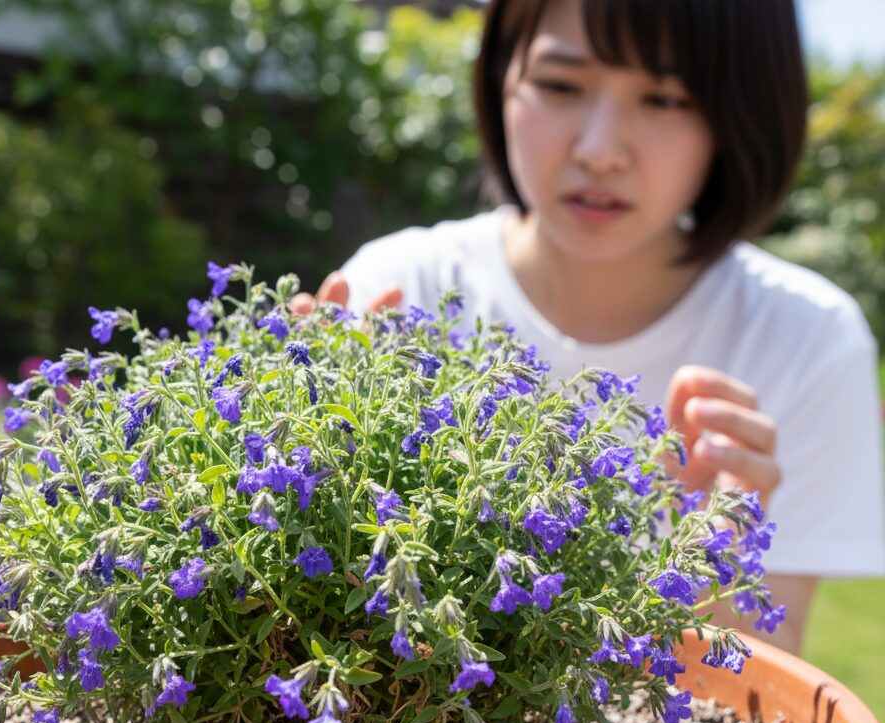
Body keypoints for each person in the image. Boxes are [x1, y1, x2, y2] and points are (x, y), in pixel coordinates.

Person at [291, 0, 885, 655]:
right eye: (560, 85)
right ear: (500, 81)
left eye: (663, 98)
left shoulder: (805, 339)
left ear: (740, 111)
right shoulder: (398, 291)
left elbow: (764, 694)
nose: (600, 150)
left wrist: (716, 551)